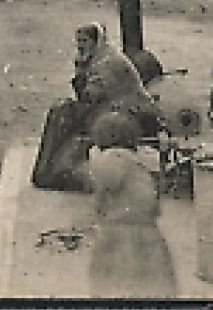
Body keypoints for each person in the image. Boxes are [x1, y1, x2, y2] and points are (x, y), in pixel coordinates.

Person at [31, 22, 164, 192]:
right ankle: (50, 171)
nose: (80, 45)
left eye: (84, 41)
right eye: (78, 41)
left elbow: (90, 96)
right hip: (115, 111)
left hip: (134, 117)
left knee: (64, 115)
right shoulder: (98, 58)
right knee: (63, 111)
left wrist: (80, 70)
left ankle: (53, 172)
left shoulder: (107, 62)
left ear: (96, 42)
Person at [86, 111, 178, 298]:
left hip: (117, 232)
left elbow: (106, 182)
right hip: (149, 232)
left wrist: (93, 158)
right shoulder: (142, 160)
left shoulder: (112, 158)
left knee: (111, 286)